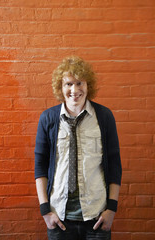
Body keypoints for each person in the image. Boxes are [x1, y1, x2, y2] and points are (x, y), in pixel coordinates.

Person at [35, 56, 122, 240]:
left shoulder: (104, 117)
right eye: (68, 84)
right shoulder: (48, 119)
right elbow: (40, 166)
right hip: (59, 217)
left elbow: (114, 164)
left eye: (79, 83)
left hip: (96, 216)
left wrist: (111, 209)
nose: (74, 90)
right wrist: (45, 211)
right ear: (61, 87)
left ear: (88, 85)